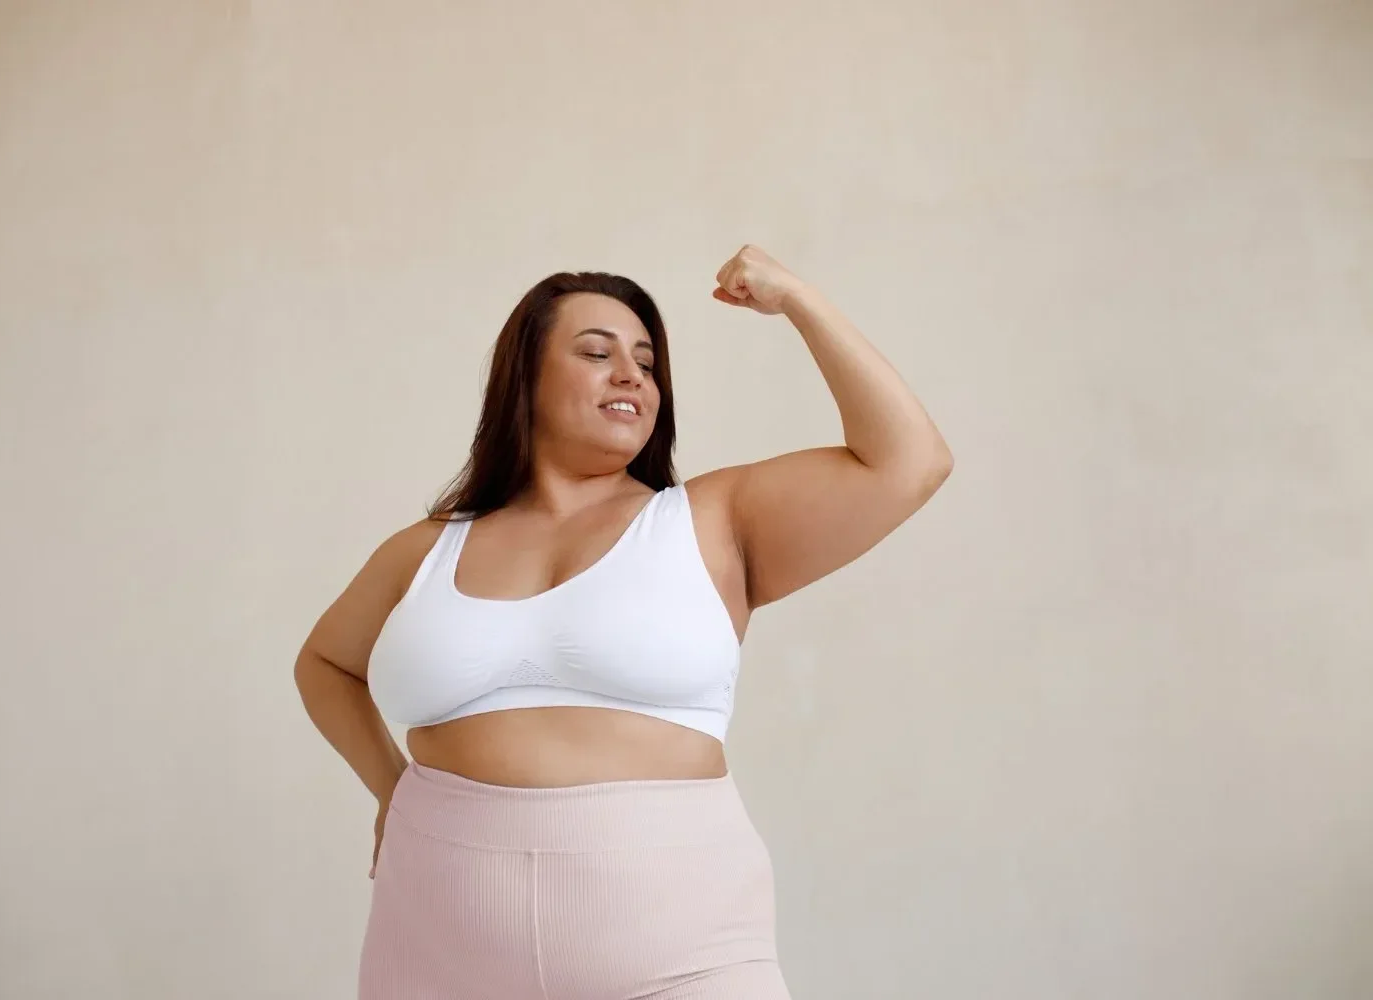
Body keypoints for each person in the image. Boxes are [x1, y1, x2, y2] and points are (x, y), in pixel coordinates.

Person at [294, 245, 953, 999]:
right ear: (526, 379)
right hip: (436, 947)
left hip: (681, 954)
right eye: (596, 352)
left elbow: (911, 461)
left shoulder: (712, 519)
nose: (632, 374)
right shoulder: (426, 549)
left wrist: (798, 299)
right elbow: (325, 663)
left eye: (646, 360)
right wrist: (391, 791)